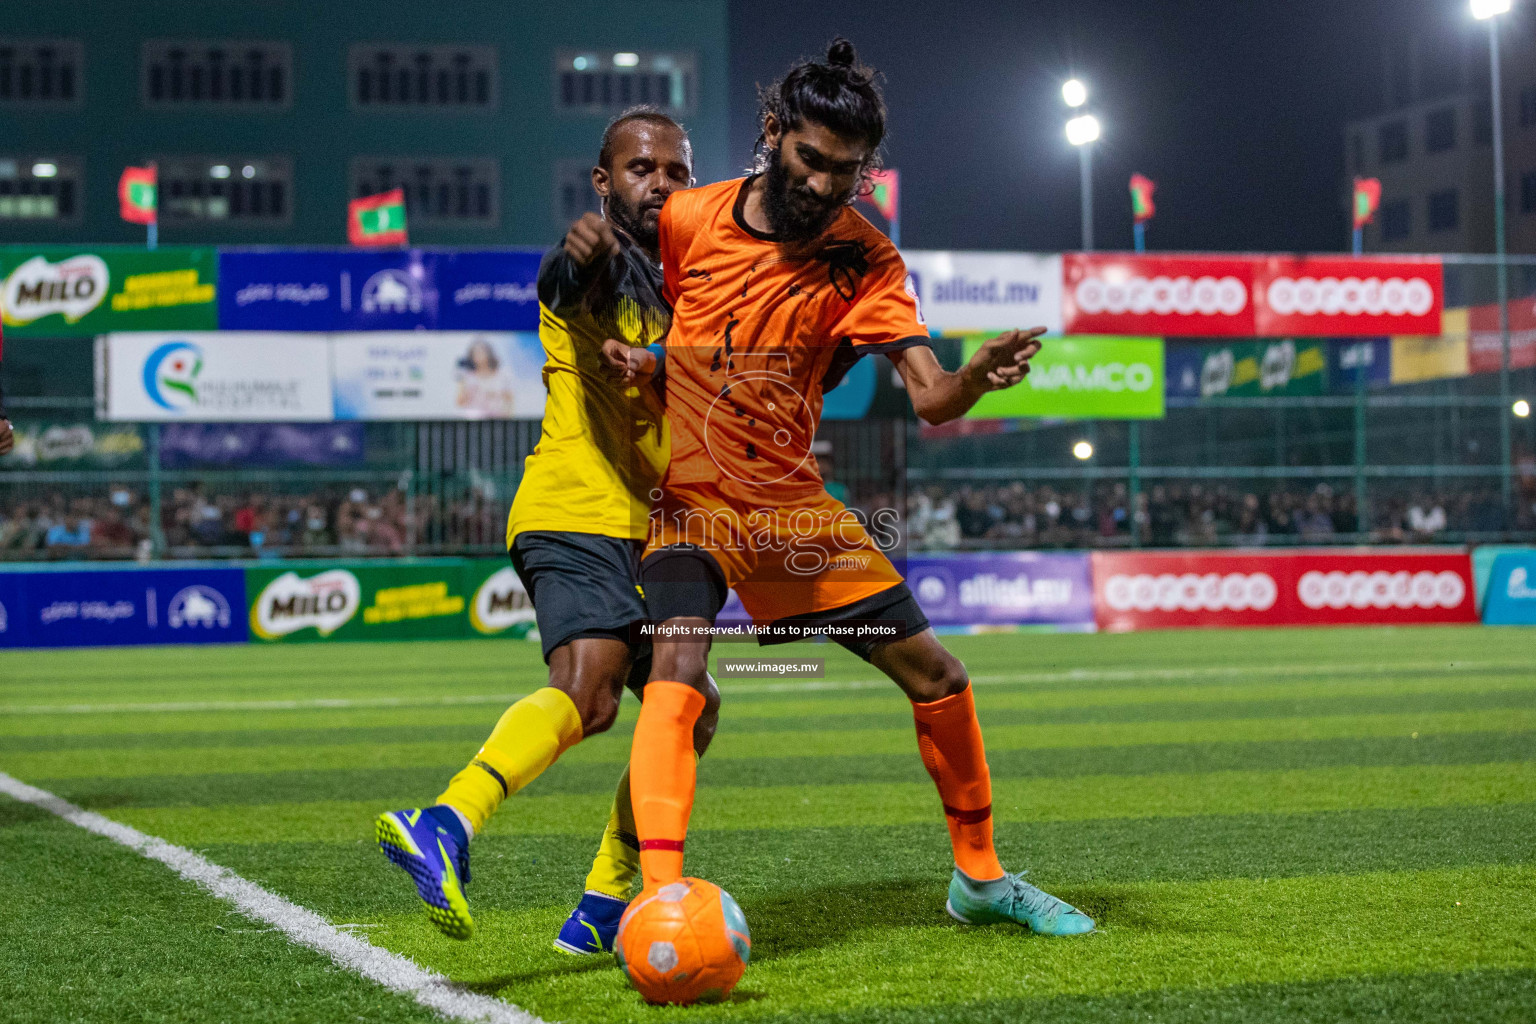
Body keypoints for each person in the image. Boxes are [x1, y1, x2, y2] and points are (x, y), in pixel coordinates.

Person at [625, 40, 1093, 937]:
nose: (827, 187)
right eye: (811, 162)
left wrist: (973, 377)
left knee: (940, 676)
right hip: (693, 504)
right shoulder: (688, 220)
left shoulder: (867, 261)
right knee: (677, 670)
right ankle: (660, 898)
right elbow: (663, 312)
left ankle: (981, 880)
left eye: (848, 173)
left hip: (795, 512)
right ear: (772, 136)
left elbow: (932, 401)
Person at [374, 106, 722, 950]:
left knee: (692, 710)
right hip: (576, 507)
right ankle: (448, 821)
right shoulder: (592, 269)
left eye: (676, 172)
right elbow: (563, 283)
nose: (661, 185)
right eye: (642, 169)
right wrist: (580, 256)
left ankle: (603, 906)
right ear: (604, 182)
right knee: (594, 688)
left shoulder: (695, 289)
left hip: (654, 529)